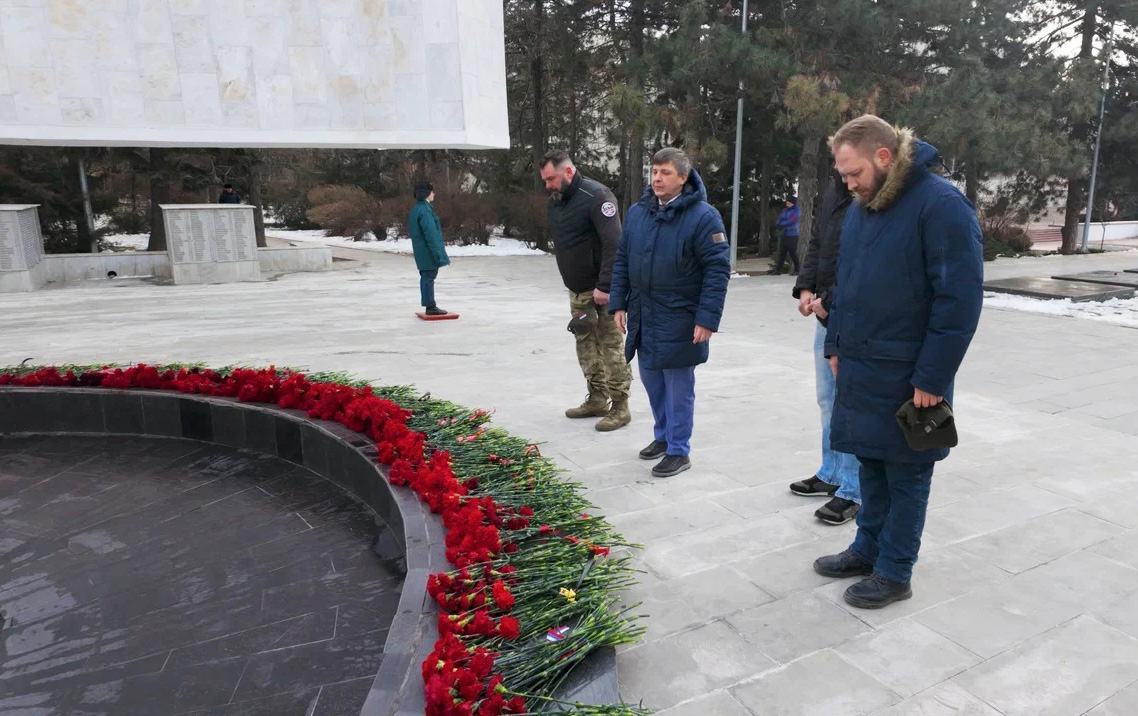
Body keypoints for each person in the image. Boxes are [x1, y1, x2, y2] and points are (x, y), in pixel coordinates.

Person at [813, 115, 983, 609]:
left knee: (907, 472)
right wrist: (835, 344)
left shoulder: (941, 205)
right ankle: (867, 547)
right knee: (870, 461)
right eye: (842, 175)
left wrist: (932, 375)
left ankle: (895, 569)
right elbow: (846, 284)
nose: (847, 184)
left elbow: (959, 301)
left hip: (911, 374)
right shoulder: (866, 206)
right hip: (864, 363)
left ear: (884, 157)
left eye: (854, 173)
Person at [609, 148, 730, 478]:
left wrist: (707, 319)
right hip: (644, 314)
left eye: (665, 172)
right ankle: (662, 437)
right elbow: (622, 260)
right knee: (652, 380)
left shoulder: (704, 217)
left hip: (681, 317)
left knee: (678, 386)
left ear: (683, 177)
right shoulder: (637, 213)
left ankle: (679, 450)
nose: (657, 178)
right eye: (655, 172)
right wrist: (618, 302)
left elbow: (717, 270)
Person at [540, 150, 632, 432]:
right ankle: (597, 398)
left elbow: (614, 244)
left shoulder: (598, 197)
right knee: (586, 347)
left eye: (551, 179)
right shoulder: (557, 202)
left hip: (601, 291)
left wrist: (605, 286)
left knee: (610, 347)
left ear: (568, 172)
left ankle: (620, 406)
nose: (548, 186)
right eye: (545, 181)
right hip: (577, 291)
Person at [790, 169, 861, 525]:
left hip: (851, 316)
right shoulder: (836, 186)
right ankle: (830, 472)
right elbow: (818, 242)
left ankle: (853, 490)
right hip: (825, 315)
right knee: (828, 400)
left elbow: (862, 264)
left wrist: (829, 301)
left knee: (851, 405)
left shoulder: (873, 190)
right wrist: (806, 289)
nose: (845, 174)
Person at [408, 180, 450, 316]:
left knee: (426, 276)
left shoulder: (417, 209)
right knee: (429, 277)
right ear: (426, 193)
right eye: (432, 191)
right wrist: (438, 254)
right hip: (427, 251)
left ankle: (429, 304)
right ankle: (430, 306)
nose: (434, 194)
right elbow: (431, 235)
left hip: (421, 250)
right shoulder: (425, 210)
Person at [772, 196, 800, 275]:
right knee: (782, 252)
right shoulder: (785, 211)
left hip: (793, 234)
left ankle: (797, 269)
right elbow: (780, 218)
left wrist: (782, 224)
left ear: (793, 204)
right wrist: (778, 224)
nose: (787, 204)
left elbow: (792, 221)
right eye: (786, 203)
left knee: (792, 252)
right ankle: (778, 270)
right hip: (784, 233)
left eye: (789, 203)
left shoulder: (796, 211)